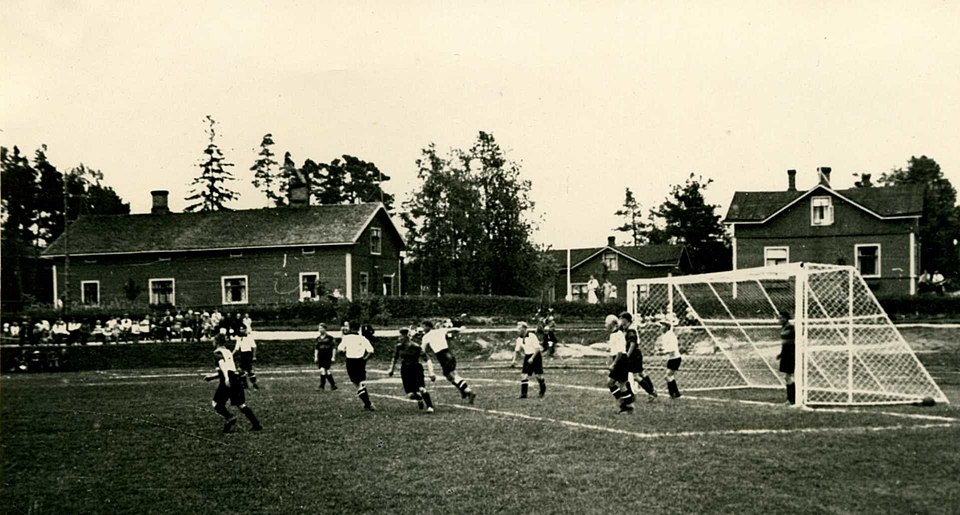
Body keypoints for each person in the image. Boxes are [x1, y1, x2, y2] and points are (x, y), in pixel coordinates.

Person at [204, 344, 262, 433]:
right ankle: (256, 424)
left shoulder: (217, 352)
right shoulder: (228, 352)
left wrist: (226, 378)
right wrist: (212, 377)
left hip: (228, 380)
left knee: (216, 403)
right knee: (241, 404)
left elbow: (222, 365)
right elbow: (230, 369)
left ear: (216, 342)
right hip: (236, 378)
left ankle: (229, 417)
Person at [420, 320, 476, 404]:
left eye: (423, 326)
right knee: (449, 375)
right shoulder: (440, 330)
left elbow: (422, 350)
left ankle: (468, 391)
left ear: (428, 326)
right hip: (448, 354)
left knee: (453, 375)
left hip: (442, 356)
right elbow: (453, 329)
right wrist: (460, 328)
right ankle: (463, 391)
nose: (422, 329)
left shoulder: (426, 336)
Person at [388, 327, 436, 413]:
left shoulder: (416, 347)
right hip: (405, 370)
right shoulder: (399, 347)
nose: (399, 338)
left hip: (416, 368)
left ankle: (430, 406)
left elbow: (427, 359)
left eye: (402, 336)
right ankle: (420, 399)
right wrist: (391, 369)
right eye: (400, 335)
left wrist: (431, 372)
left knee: (421, 389)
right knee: (411, 395)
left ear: (407, 337)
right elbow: (394, 358)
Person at [337, 321, 376, 411]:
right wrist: (364, 359)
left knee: (357, 383)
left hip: (350, 361)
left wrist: (345, 353)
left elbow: (339, 350)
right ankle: (367, 404)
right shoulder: (363, 338)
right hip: (360, 361)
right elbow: (371, 351)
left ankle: (368, 403)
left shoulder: (346, 338)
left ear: (350, 328)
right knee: (359, 382)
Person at [620, 312, 657, 401]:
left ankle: (651, 392)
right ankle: (651, 391)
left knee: (635, 376)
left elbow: (632, 344)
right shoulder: (627, 328)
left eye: (622, 319)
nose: (621, 321)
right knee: (641, 373)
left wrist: (627, 355)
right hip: (636, 354)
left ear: (626, 320)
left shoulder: (631, 331)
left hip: (633, 355)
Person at [605, 314, 636, 413]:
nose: (605, 325)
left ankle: (628, 405)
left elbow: (619, 352)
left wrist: (614, 364)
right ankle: (624, 402)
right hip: (619, 359)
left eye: (606, 323)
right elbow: (614, 351)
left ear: (612, 324)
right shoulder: (613, 335)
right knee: (611, 383)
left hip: (621, 360)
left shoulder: (618, 334)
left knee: (620, 384)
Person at [511, 322, 546, 399]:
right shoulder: (519, 339)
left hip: (536, 356)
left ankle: (542, 391)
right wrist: (514, 360)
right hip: (528, 356)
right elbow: (516, 350)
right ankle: (524, 394)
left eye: (519, 328)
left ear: (524, 328)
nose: (518, 330)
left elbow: (537, 348)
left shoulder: (532, 336)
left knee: (538, 376)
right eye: (518, 328)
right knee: (524, 375)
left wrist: (532, 358)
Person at [655, 314, 682, 398]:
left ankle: (673, 393)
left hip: (675, 358)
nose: (660, 328)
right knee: (669, 376)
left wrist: (662, 352)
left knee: (668, 376)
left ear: (666, 327)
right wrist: (661, 350)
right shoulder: (666, 335)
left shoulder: (670, 335)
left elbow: (672, 348)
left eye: (662, 326)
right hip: (672, 358)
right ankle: (675, 393)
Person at [776, 311, 796, 405]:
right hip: (786, 354)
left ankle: (792, 399)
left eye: (781, 318)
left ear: (785, 318)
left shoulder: (791, 328)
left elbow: (791, 343)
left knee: (789, 377)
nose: (779, 320)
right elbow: (785, 344)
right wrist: (781, 354)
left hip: (790, 354)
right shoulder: (784, 328)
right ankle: (791, 398)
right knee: (788, 377)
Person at [314, 323, 338, 390]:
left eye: (321, 328)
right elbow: (316, 349)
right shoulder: (318, 339)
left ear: (325, 329)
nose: (320, 330)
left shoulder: (330, 338)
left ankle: (322, 386)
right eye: (319, 328)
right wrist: (315, 357)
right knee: (326, 371)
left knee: (324, 370)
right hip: (321, 356)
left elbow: (334, 348)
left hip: (327, 356)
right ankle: (333, 385)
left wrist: (333, 357)